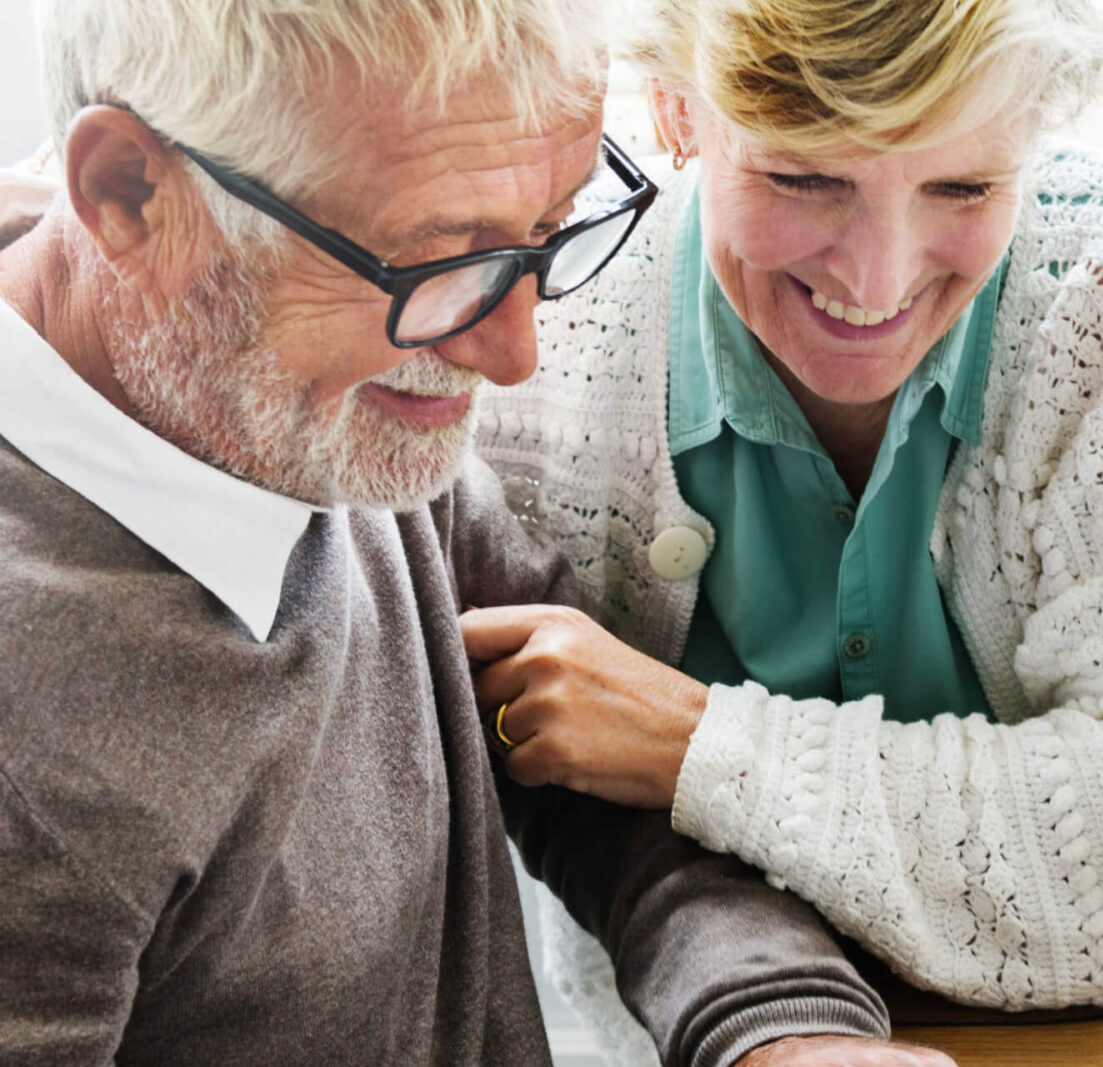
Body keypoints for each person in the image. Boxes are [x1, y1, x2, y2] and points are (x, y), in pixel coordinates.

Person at [466, 0, 1103, 1059]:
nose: (877, 282)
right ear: (674, 109)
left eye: (965, 187)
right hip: (737, 1028)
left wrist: (692, 742)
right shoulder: (534, 331)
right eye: (802, 178)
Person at [0, 2, 956, 1065]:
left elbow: (599, 787)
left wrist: (785, 1028)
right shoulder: (28, 736)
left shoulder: (294, 408)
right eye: (436, 265)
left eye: (551, 230)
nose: (513, 356)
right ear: (128, 193)